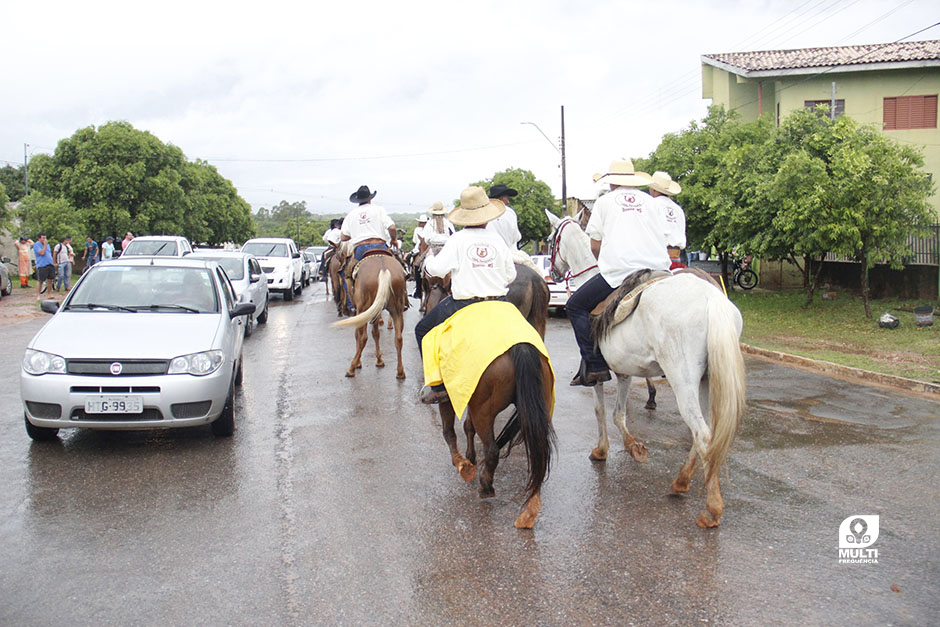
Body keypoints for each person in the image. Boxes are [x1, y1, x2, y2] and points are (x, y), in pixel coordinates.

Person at [566, 159, 671, 386]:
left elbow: (595, 245)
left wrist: (605, 262)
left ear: (612, 183)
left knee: (575, 306)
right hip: (660, 270)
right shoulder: (651, 202)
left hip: (620, 273)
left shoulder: (604, 202)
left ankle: (595, 365)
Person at [416, 186, 517, 404]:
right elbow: (511, 275)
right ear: (487, 218)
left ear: (464, 216)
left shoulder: (458, 240)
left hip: (464, 305)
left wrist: (429, 260)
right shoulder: (497, 240)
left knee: (422, 329)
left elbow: (436, 270)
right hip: (500, 303)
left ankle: (438, 386)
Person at [340, 185, 398, 259]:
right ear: (369, 199)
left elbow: (343, 237)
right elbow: (392, 228)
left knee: (349, 268)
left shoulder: (351, 215)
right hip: (380, 246)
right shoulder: (379, 210)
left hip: (361, 248)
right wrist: (394, 240)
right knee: (398, 263)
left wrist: (355, 232)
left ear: (357, 200)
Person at [648, 171, 687, 269]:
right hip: (676, 257)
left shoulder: (649, 204)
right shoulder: (678, 209)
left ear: (653, 189)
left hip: (656, 255)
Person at [485, 184, 522, 249]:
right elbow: (516, 237)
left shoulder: (483, 212)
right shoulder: (509, 213)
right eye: (507, 197)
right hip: (506, 253)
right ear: (501, 197)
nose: (508, 201)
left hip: (489, 252)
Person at [33, 233, 56, 299]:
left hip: (50, 263)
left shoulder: (48, 245)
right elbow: (42, 253)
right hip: (42, 265)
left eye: (45, 238)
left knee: (50, 280)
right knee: (40, 280)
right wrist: (45, 245)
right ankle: (38, 295)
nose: (44, 240)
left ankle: (49, 294)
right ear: (39, 238)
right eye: (43, 238)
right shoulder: (36, 245)